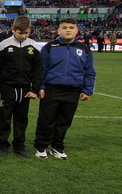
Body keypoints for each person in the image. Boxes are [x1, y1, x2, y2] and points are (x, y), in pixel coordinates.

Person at [34, 18, 96, 159]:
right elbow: (42, 70)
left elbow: (90, 71)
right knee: (46, 119)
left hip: (72, 91)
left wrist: (87, 90)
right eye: (65, 27)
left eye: (71, 27)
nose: (68, 30)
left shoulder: (84, 49)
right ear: (59, 30)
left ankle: (57, 147)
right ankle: (41, 146)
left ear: (76, 30)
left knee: (64, 121)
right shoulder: (50, 47)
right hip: (51, 89)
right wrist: (41, 86)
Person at [0, 16, 41, 158]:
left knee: (22, 119)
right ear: (13, 30)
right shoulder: (4, 45)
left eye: (26, 33)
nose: (24, 36)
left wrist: (34, 90)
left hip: (25, 90)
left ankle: (19, 146)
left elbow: (38, 70)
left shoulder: (33, 46)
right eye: (20, 33)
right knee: (4, 118)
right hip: (6, 89)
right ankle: (3, 146)